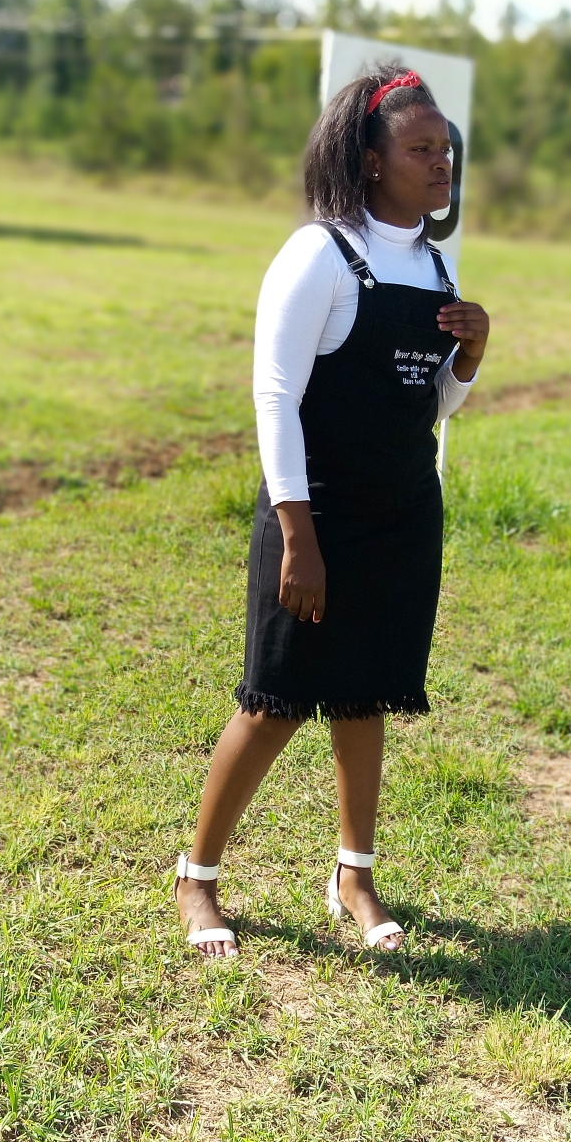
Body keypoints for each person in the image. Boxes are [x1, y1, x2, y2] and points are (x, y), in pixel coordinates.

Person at [174, 65, 490, 960]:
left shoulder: (435, 264)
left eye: (447, 150)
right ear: (371, 159)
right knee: (274, 701)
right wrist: (298, 536)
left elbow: (433, 406)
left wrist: (470, 357)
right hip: (315, 520)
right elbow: (275, 397)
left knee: (367, 694)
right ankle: (197, 877)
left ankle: (354, 876)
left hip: (403, 514)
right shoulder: (318, 254)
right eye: (421, 149)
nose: (442, 164)